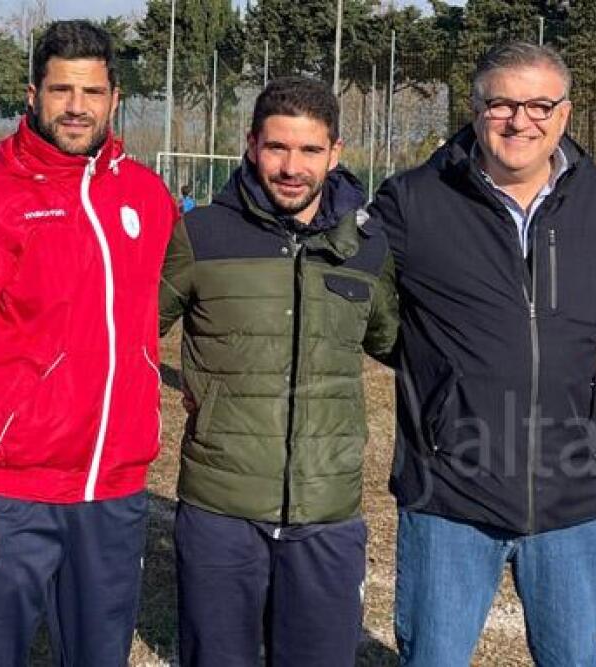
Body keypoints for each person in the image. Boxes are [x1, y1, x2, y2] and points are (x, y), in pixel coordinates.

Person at [0, 20, 177, 666]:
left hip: (113, 495)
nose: (76, 106)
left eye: (91, 91)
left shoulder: (147, 197)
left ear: (114, 98)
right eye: (61, 90)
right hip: (9, 497)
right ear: (33, 95)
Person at [368, 43, 596, 666]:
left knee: (573, 658)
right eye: (502, 104)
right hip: (449, 495)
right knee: (432, 658)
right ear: (475, 107)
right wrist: (437, 377)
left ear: (565, 115)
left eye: (540, 104)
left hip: (567, 496)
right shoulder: (413, 200)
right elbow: (372, 315)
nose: (521, 121)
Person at [158, 75, 398, 667]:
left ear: (336, 153)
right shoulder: (201, 235)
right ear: (250, 144)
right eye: (277, 148)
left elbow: (392, 339)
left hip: (327, 514)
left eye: (310, 150)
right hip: (220, 510)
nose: (292, 167)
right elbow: (126, 336)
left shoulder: (369, 248)